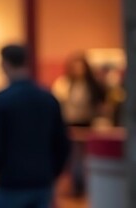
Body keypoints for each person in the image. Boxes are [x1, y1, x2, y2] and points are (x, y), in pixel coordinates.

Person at [0, 45, 71, 208]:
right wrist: (52, 172)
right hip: (42, 181)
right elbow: (62, 143)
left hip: (10, 182)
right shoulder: (48, 99)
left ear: (5, 64)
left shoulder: (0, 101)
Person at [50, 54, 106, 197]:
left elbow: (101, 104)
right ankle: (76, 186)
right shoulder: (64, 84)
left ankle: (89, 187)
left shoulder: (93, 85)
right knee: (74, 156)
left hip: (88, 123)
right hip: (70, 123)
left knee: (89, 157)